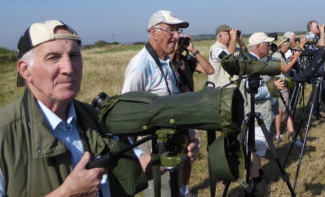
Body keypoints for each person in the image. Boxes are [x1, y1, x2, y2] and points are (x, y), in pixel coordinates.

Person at [0, 20, 199, 196]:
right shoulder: (6, 134)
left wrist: (168, 158)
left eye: (74, 56)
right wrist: (67, 194)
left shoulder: (93, 117)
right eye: (53, 57)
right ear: (25, 70)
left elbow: (132, 164)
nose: (69, 68)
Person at [121, 10, 198, 196]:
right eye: (170, 30)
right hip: (154, 147)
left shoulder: (166, 62)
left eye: (178, 31)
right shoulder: (140, 66)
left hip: (173, 143)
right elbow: (125, 116)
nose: (177, 36)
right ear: (152, 32)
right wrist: (131, 159)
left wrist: (190, 136)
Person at [244, 32, 284, 187]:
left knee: (258, 147)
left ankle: (258, 172)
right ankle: (254, 180)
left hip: (261, 111)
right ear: (257, 46)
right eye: (266, 44)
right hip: (255, 112)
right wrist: (273, 87)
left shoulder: (257, 61)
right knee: (255, 145)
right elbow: (250, 91)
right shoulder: (250, 64)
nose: (269, 47)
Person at [274, 38, 302, 141]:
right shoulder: (277, 56)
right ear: (282, 46)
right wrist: (296, 58)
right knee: (282, 110)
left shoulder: (279, 55)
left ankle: (291, 132)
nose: (289, 49)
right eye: (287, 47)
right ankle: (279, 134)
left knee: (285, 109)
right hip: (281, 85)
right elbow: (285, 69)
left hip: (283, 84)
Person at [304, 20, 325, 119]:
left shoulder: (317, 37)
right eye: (317, 26)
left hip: (320, 68)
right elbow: (321, 46)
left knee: (321, 90)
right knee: (317, 90)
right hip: (313, 68)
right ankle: (314, 112)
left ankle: (316, 110)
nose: (318, 28)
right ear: (311, 28)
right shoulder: (309, 37)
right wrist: (322, 33)